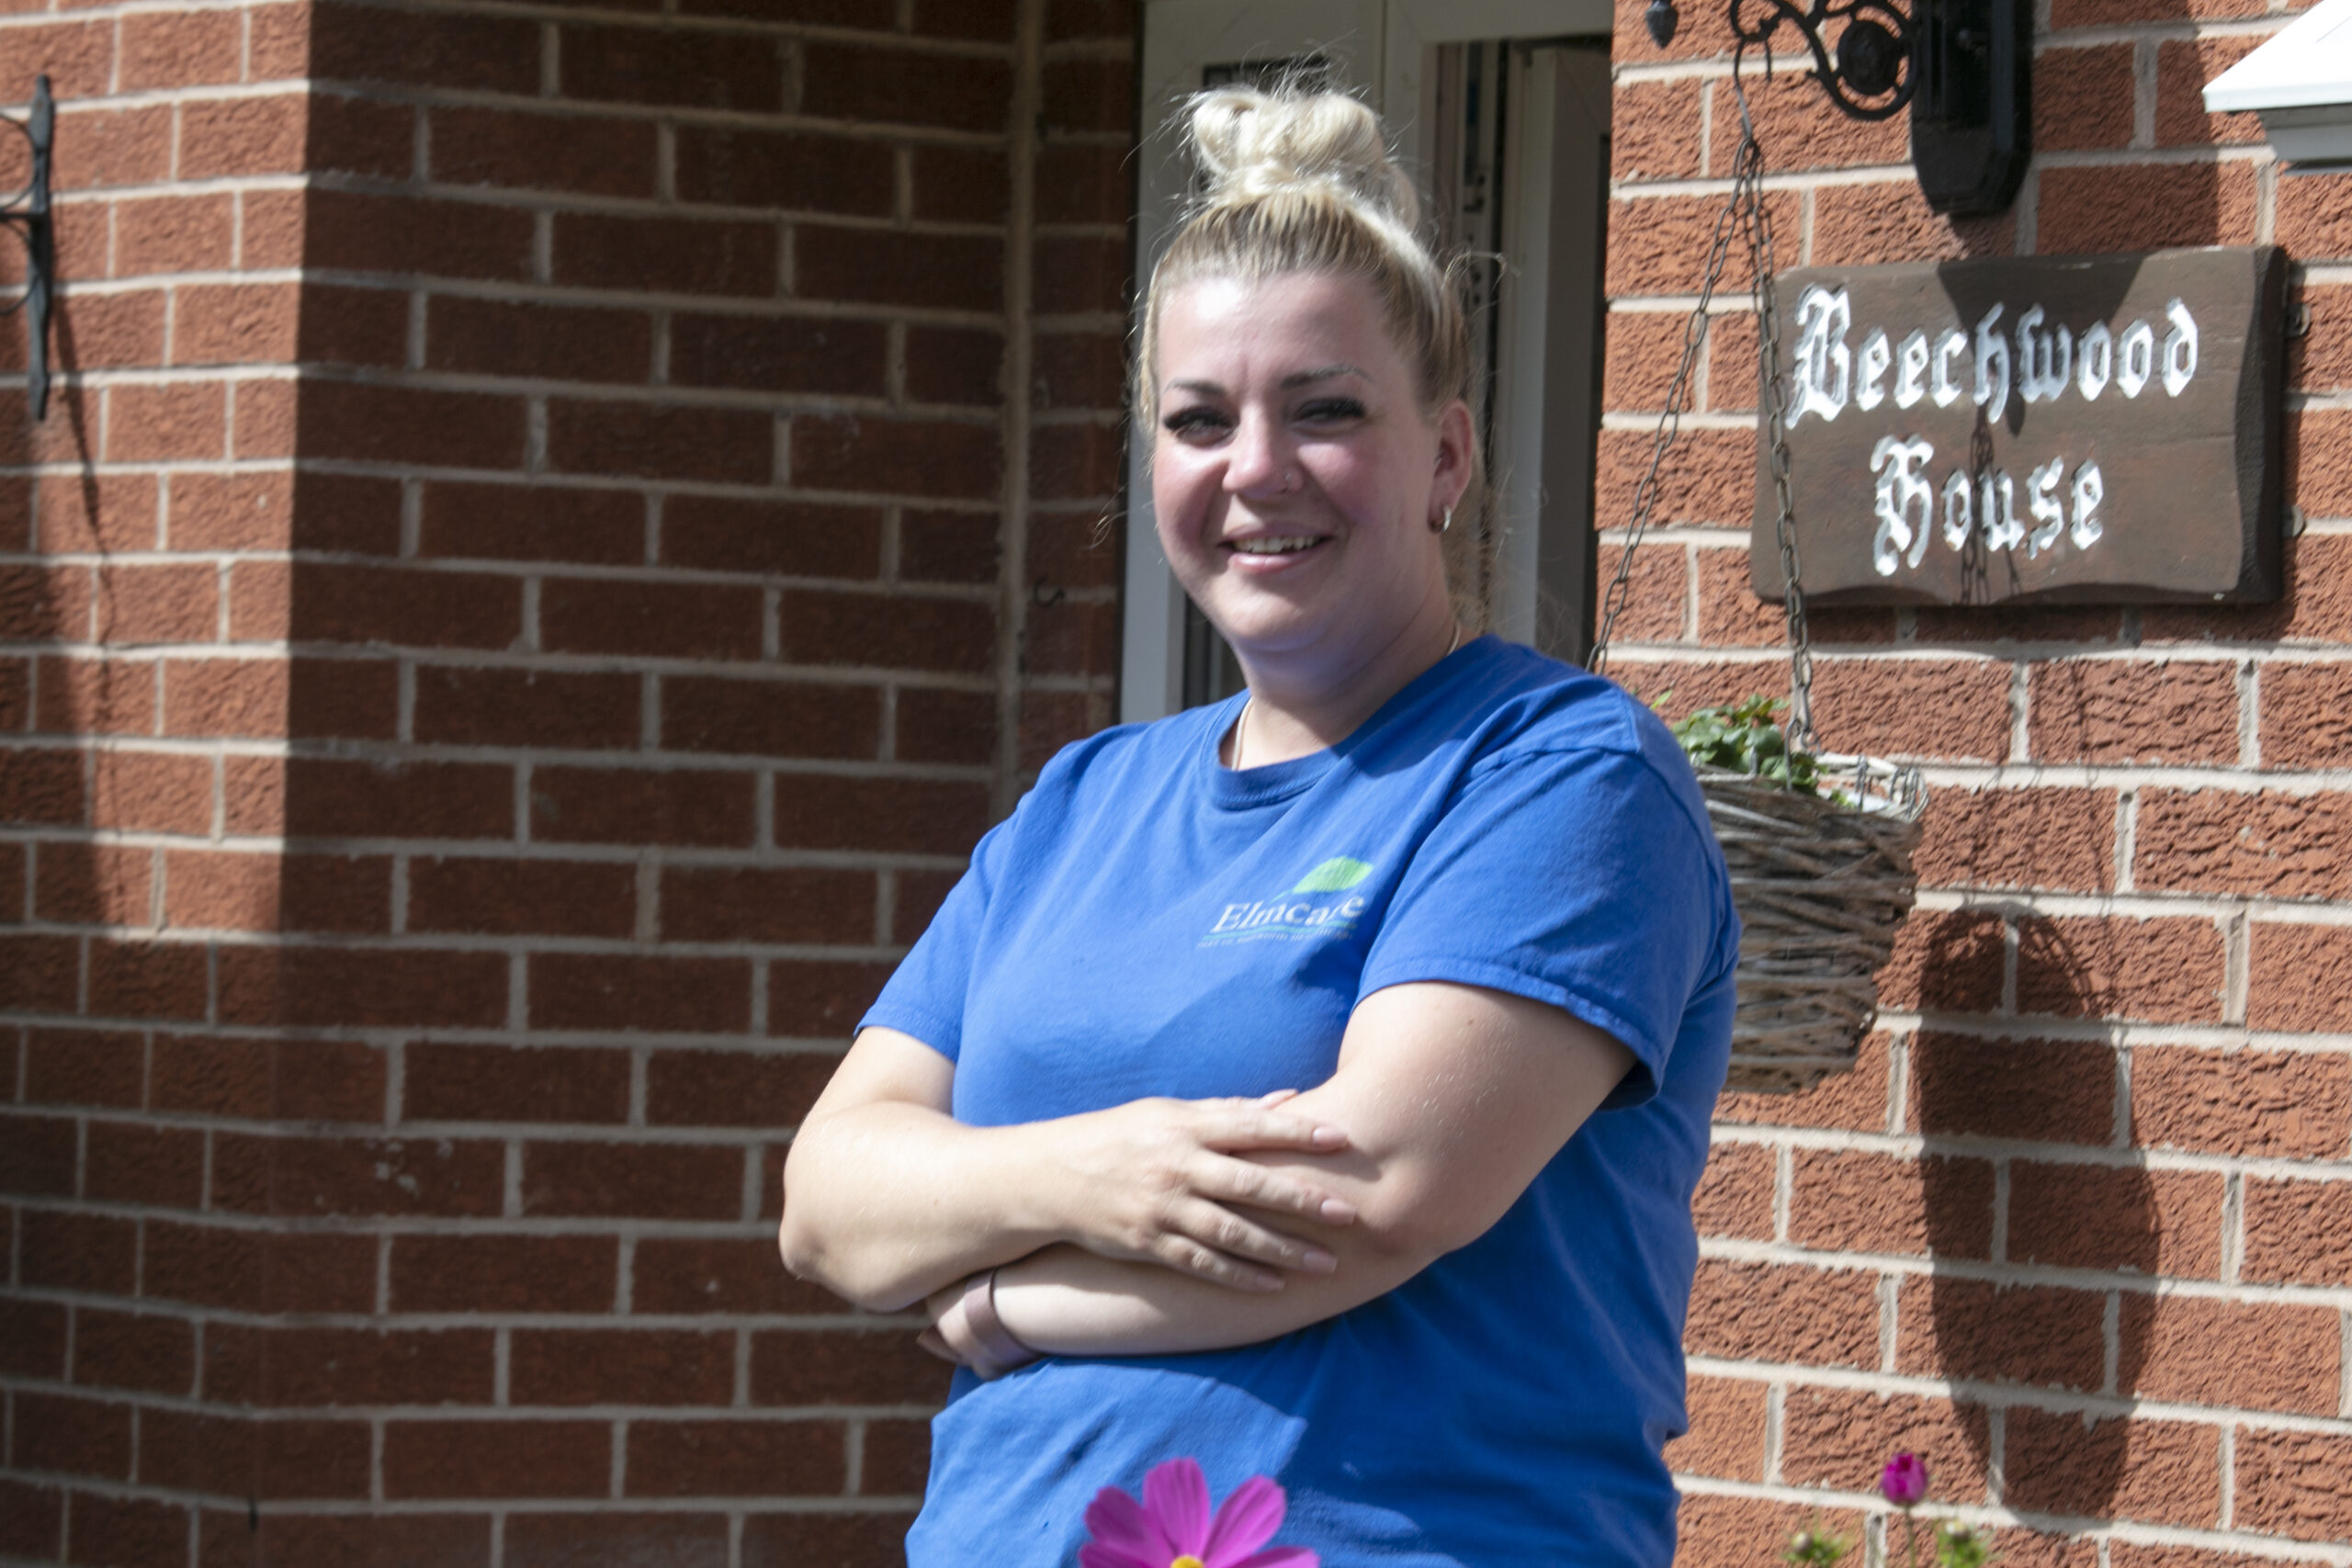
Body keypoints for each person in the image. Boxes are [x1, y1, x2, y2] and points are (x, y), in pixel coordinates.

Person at [778, 84, 1739, 1567]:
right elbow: (830, 1200)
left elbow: (1366, 1197)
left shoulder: (1561, 775)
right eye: (1199, 420)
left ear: (1448, 457)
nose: (1254, 468)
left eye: (1325, 409)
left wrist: (1000, 1294)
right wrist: (1089, 1173)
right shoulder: (1082, 803)